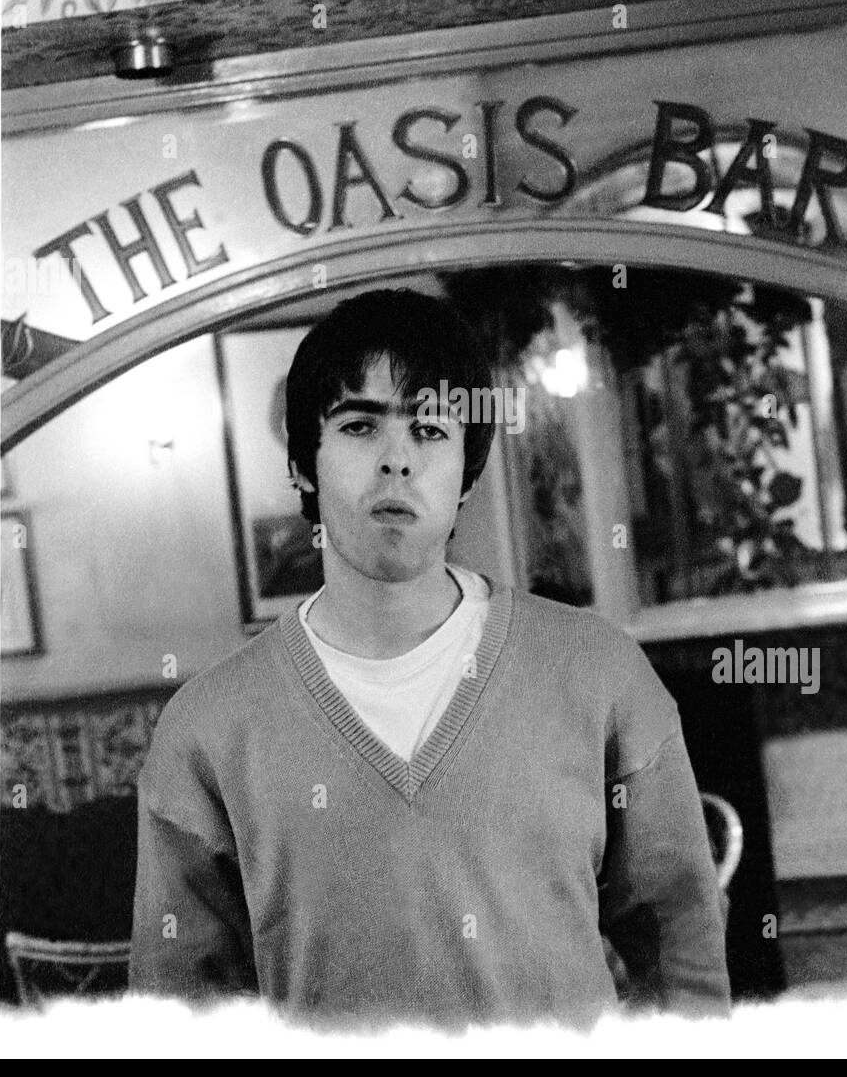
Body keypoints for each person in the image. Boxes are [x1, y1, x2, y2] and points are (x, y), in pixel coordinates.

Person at [129, 287, 730, 1029]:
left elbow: (680, 954)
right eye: (358, 426)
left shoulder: (595, 672)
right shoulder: (208, 729)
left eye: (430, 430)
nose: (396, 462)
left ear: (469, 472)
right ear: (302, 466)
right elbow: (179, 1012)